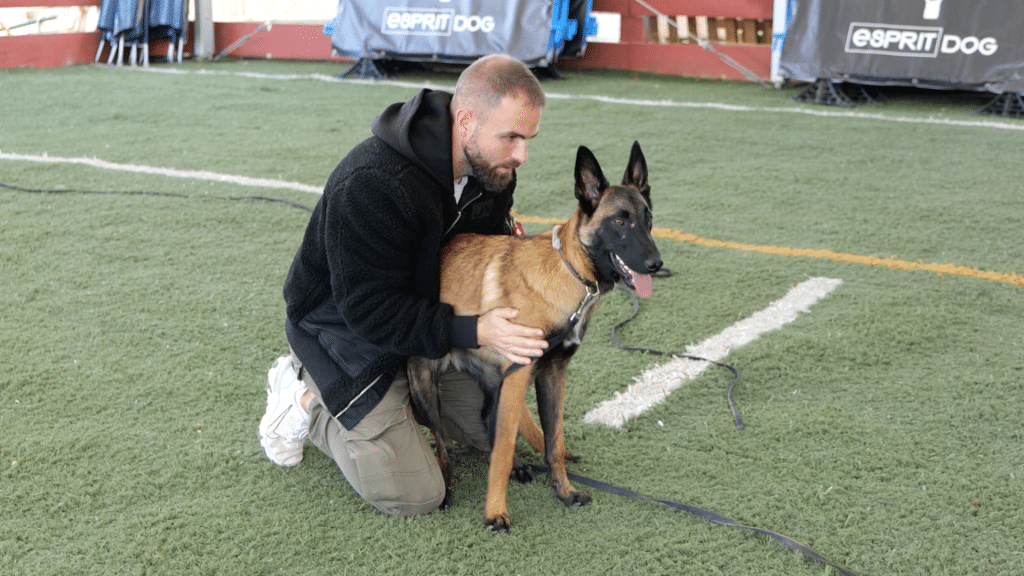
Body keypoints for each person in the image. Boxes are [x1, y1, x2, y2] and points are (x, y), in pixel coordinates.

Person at [258, 54, 550, 517]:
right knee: (416, 495)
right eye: (511, 137)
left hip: (423, 322)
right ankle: (304, 397)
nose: (521, 155)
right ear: (467, 121)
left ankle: (401, 403)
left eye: (528, 139)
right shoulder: (375, 182)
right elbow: (371, 313)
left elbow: (485, 255)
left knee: (493, 433)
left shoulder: (491, 172)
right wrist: (476, 331)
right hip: (344, 334)